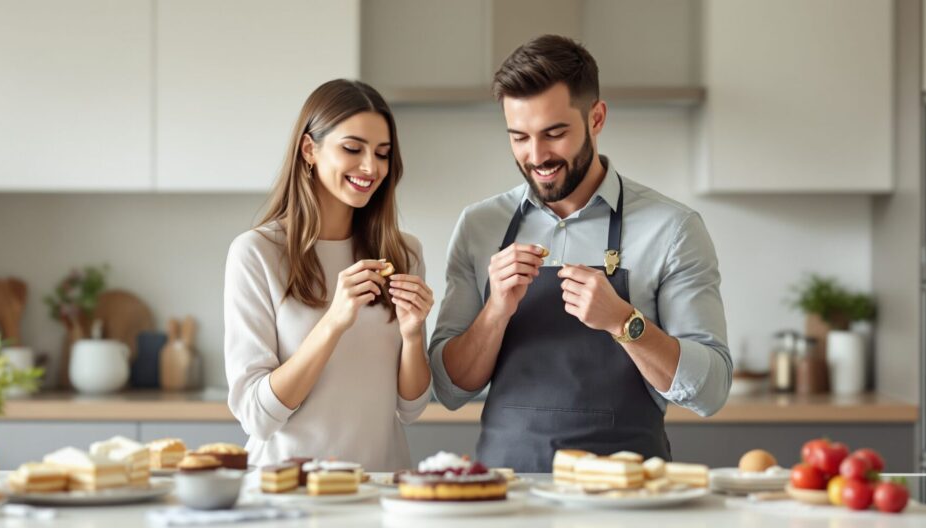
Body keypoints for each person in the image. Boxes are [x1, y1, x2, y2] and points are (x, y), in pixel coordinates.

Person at [429, 36, 732, 472]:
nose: (537, 157)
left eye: (555, 133)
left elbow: (711, 391)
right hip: (506, 493)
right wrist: (495, 310)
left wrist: (624, 323)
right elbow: (448, 389)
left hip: (628, 499)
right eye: (519, 137)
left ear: (597, 118)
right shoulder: (480, 227)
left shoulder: (673, 229)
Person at [224, 79, 434, 471]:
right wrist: (333, 322)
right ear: (310, 149)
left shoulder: (404, 253)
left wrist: (412, 334)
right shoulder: (256, 254)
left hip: (380, 486)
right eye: (352, 148)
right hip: (288, 493)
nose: (371, 167)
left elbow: (411, 408)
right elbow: (257, 416)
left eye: (382, 153)